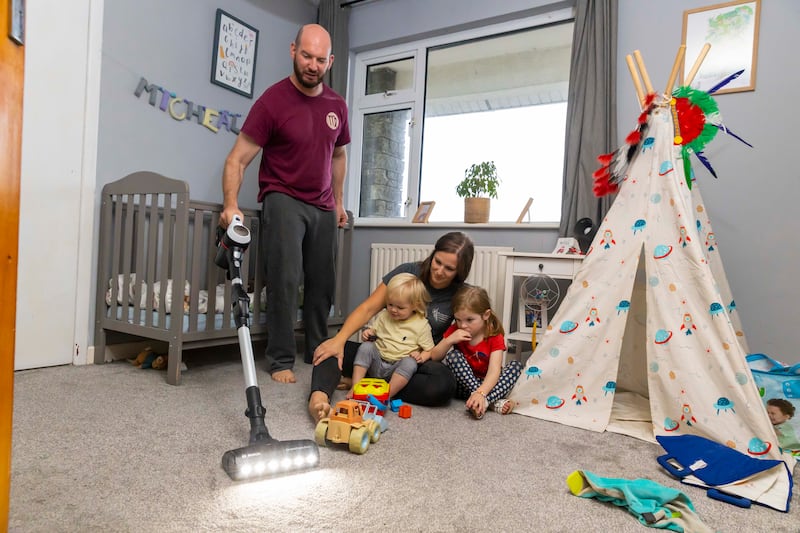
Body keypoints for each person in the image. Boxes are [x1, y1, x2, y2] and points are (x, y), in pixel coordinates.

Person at [220, 24, 350, 384]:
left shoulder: (337, 105)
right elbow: (237, 159)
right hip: (284, 197)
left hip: (323, 204)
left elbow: (338, 156)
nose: (312, 65)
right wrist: (230, 203)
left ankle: (318, 352)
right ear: (293, 50)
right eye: (306, 56)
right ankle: (280, 359)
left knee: (323, 283)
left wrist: (339, 203)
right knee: (285, 279)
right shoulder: (272, 101)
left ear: (330, 61)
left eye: (320, 59)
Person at [308, 231, 474, 422]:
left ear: (460, 272)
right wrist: (339, 340)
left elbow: (476, 327)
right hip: (380, 351)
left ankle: (371, 386)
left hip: (413, 361)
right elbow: (368, 308)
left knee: (443, 384)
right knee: (329, 348)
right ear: (433, 254)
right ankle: (318, 400)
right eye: (437, 262)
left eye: (449, 269)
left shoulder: (460, 293)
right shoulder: (408, 272)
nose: (439, 271)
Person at [430, 285, 522, 419]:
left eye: (469, 320)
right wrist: (449, 340)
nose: (463, 325)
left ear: (486, 315)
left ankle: (482, 401)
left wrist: (481, 392)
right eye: (458, 319)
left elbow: (494, 370)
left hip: (489, 384)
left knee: (516, 366)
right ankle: (489, 402)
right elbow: (434, 357)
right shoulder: (456, 329)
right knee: (453, 356)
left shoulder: (494, 335)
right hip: (464, 385)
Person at [347, 273, 434, 400]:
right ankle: (356, 387)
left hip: (397, 369)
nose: (393, 310)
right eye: (390, 304)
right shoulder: (384, 316)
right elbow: (374, 331)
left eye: (400, 307)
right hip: (377, 362)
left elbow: (429, 350)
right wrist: (368, 334)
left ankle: (386, 395)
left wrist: (420, 356)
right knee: (366, 347)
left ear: (415, 305)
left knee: (410, 363)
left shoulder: (421, 325)